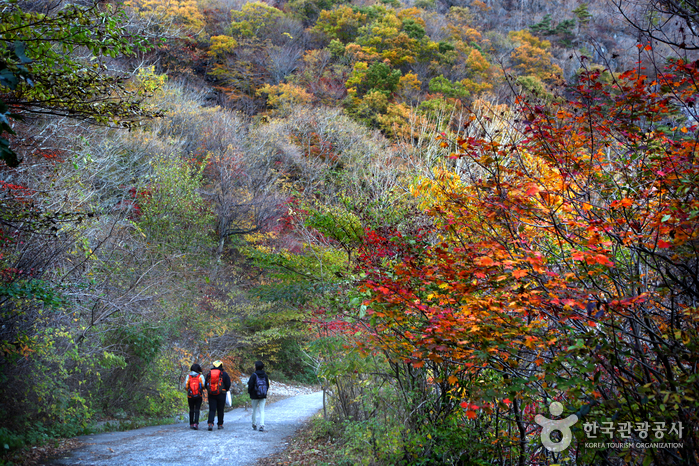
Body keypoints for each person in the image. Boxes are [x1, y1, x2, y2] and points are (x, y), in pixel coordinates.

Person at [205, 360, 231, 431]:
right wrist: (225, 389)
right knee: (220, 409)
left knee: (212, 409)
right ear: (221, 365)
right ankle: (220, 424)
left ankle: (210, 423)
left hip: (211, 394)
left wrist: (209, 390)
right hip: (221, 394)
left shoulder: (209, 374)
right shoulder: (224, 374)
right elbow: (228, 384)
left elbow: (205, 384)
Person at [248, 360, 269, 432]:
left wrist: (250, 393)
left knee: (254, 410)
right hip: (263, 395)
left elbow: (250, 385)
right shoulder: (265, 375)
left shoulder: (254, 375)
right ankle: (262, 425)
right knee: (262, 410)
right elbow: (267, 385)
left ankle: (254, 424)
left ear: (256, 367)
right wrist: (264, 392)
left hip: (254, 395)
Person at [184, 363, 206, 430]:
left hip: (190, 396)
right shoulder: (200, 376)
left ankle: (191, 423)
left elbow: (185, 386)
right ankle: (196, 423)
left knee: (191, 409)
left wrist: (189, 391)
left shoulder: (188, 376)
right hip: (198, 395)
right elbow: (203, 385)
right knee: (197, 409)